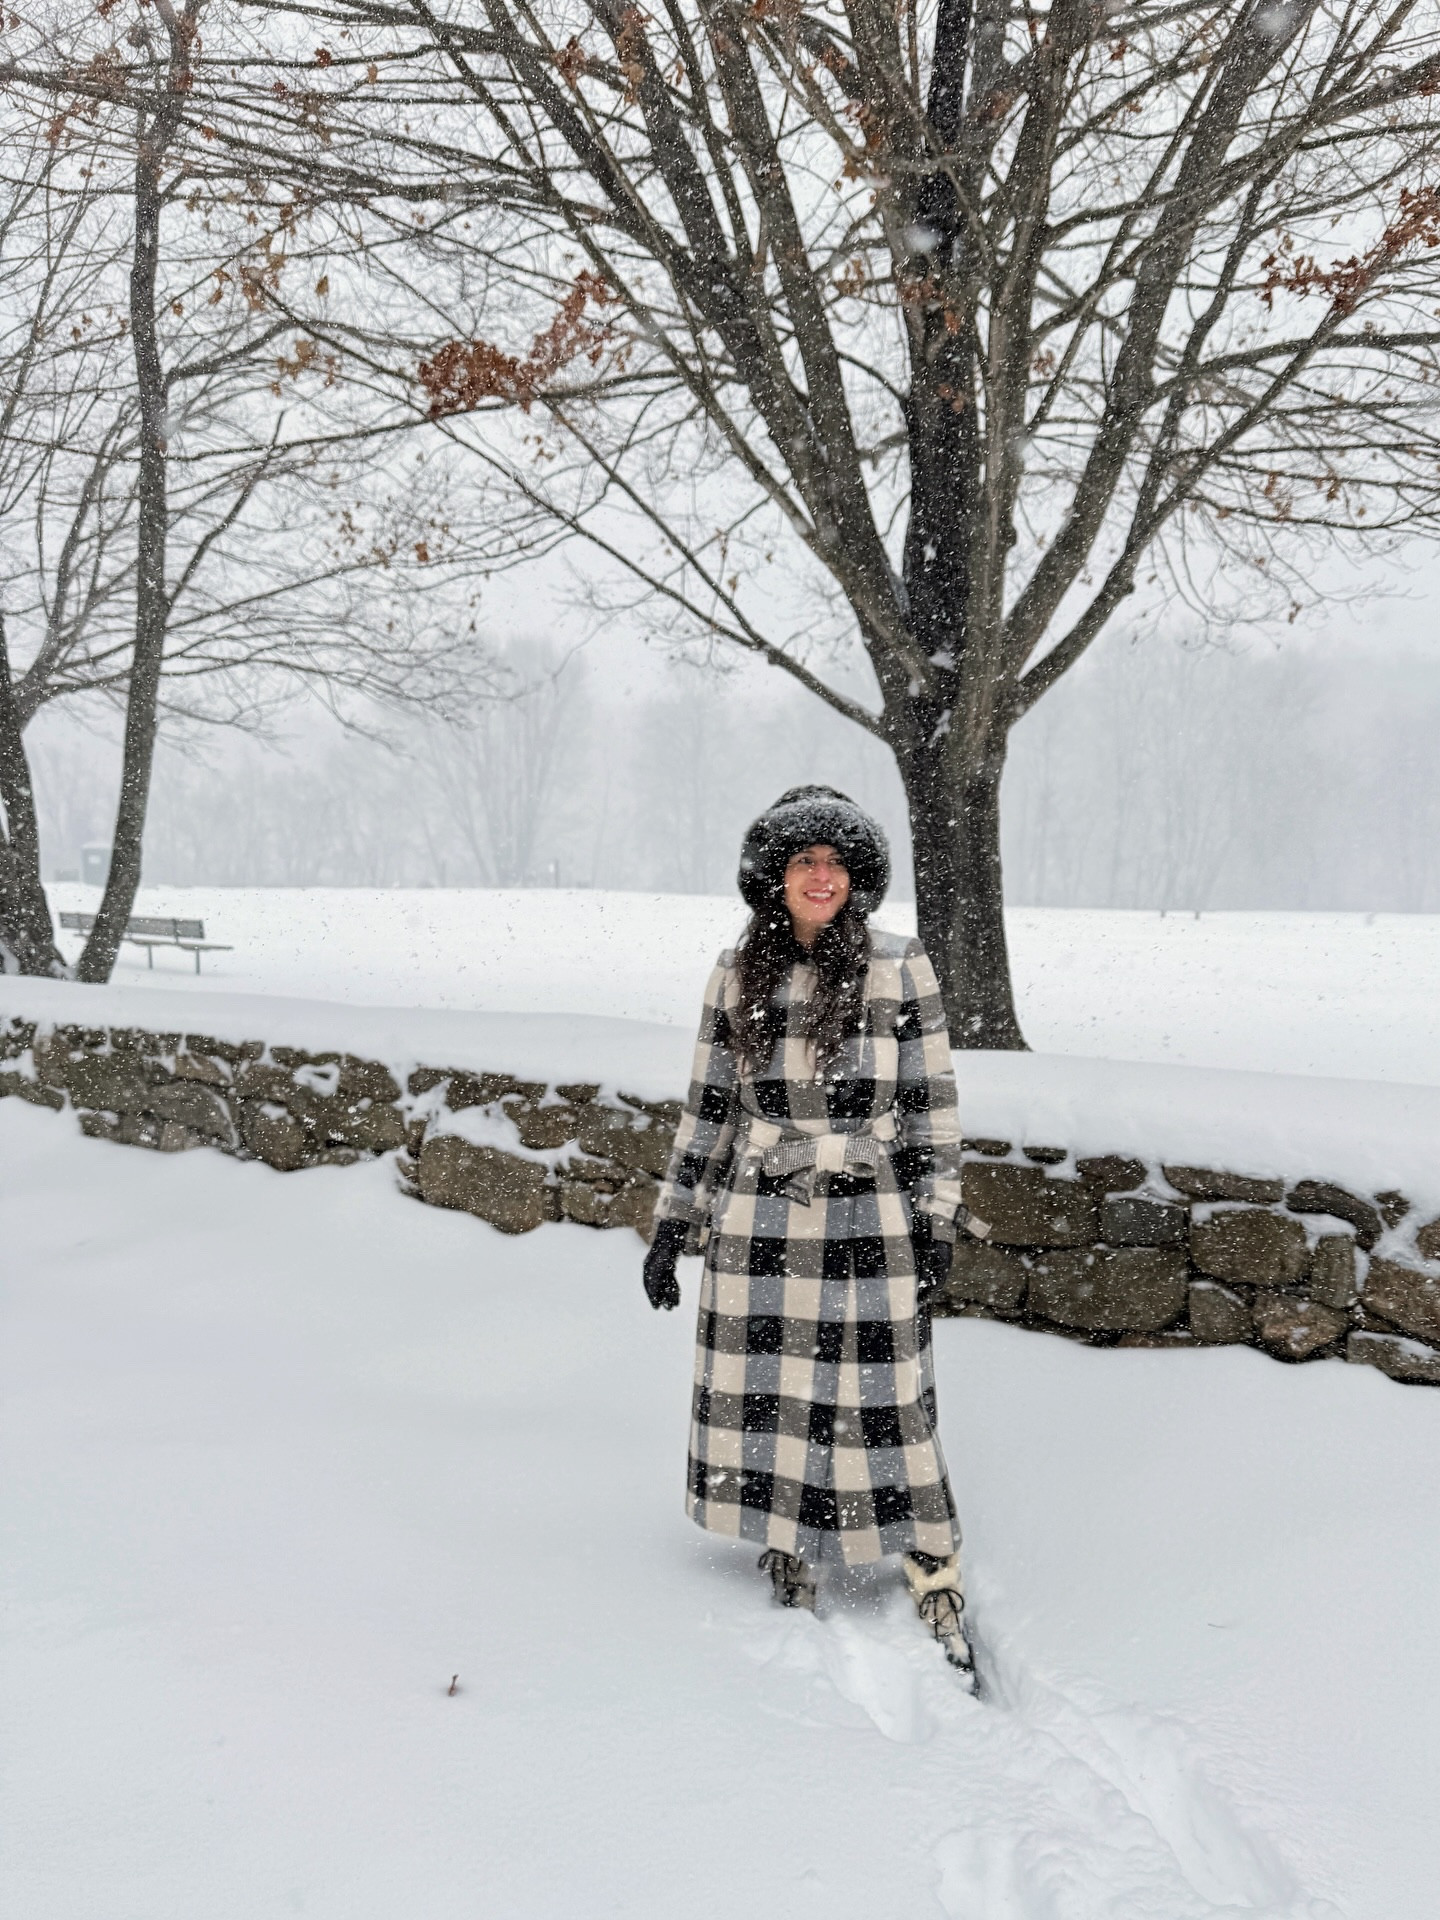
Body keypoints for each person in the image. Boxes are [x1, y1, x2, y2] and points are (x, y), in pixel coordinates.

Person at [643, 785, 979, 1685]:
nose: (820, 877)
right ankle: (789, 1538)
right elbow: (708, 1109)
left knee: (886, 1386)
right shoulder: (733, 972)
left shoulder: (901, 966)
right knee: (775, 1385)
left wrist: (936, 1218)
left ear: (856, 877)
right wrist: (673, 1226)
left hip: (870, 1205)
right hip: (757, 1211)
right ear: (774, 878)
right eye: (803, 862)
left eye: (834, 863)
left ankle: (928, 1557)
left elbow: (931, 1106)